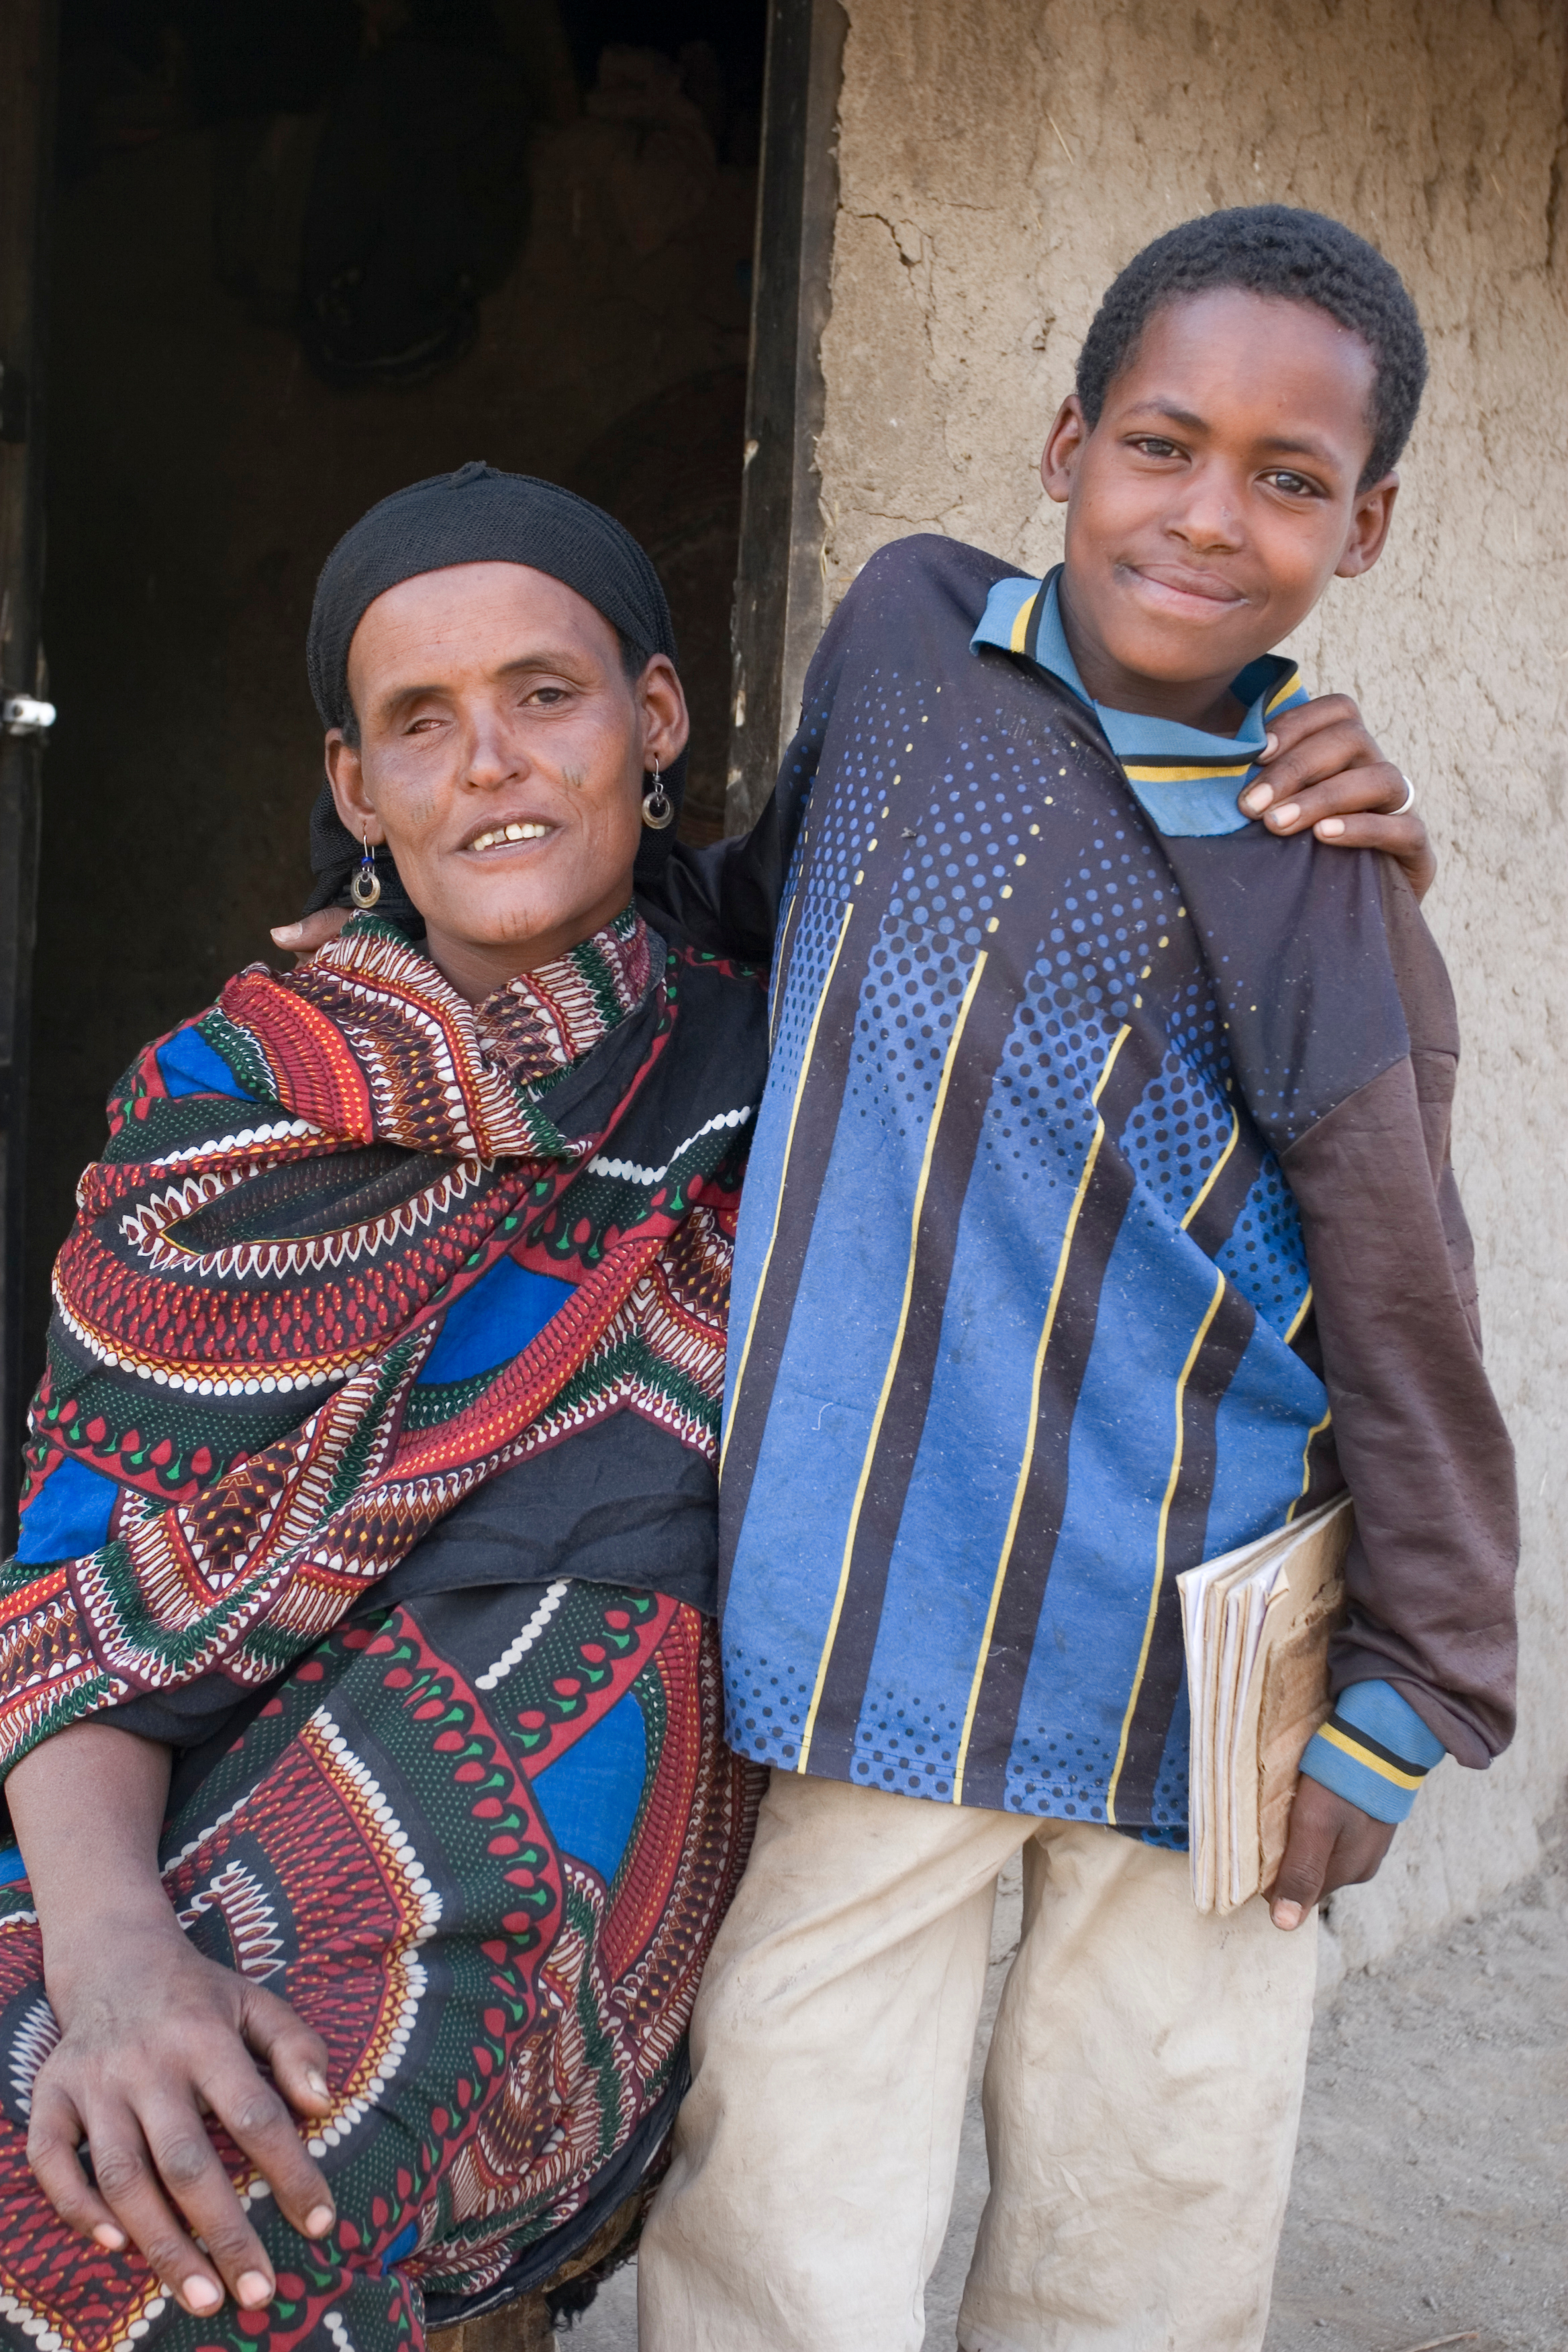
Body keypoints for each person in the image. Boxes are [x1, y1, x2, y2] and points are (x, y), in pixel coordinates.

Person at [634, 207, 1518, 2351]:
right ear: (1064, 446)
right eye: (1163, 444)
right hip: (876, 1621)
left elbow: (1406, 1307)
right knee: (782, 2201)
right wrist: (450, 911)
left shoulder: (1323, 891)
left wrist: (1414, 1692)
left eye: (1289, 482)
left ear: (1367, 527)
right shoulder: (906, 643)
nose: (1210, 516)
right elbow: (753, 927)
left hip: (1201, 1670)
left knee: (1152, 2206)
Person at [0, 469, 769, 2351]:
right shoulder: (216, 1105)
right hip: (159, 1785)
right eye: (419, 720)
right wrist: (109, 1965)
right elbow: (78, 1600)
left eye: (546, 694)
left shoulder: (775, 1068)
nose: (487, 762)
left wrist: (1304, 825)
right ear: (355, 790)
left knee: (184, 2234)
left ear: (655, 723)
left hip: (542, 1782)